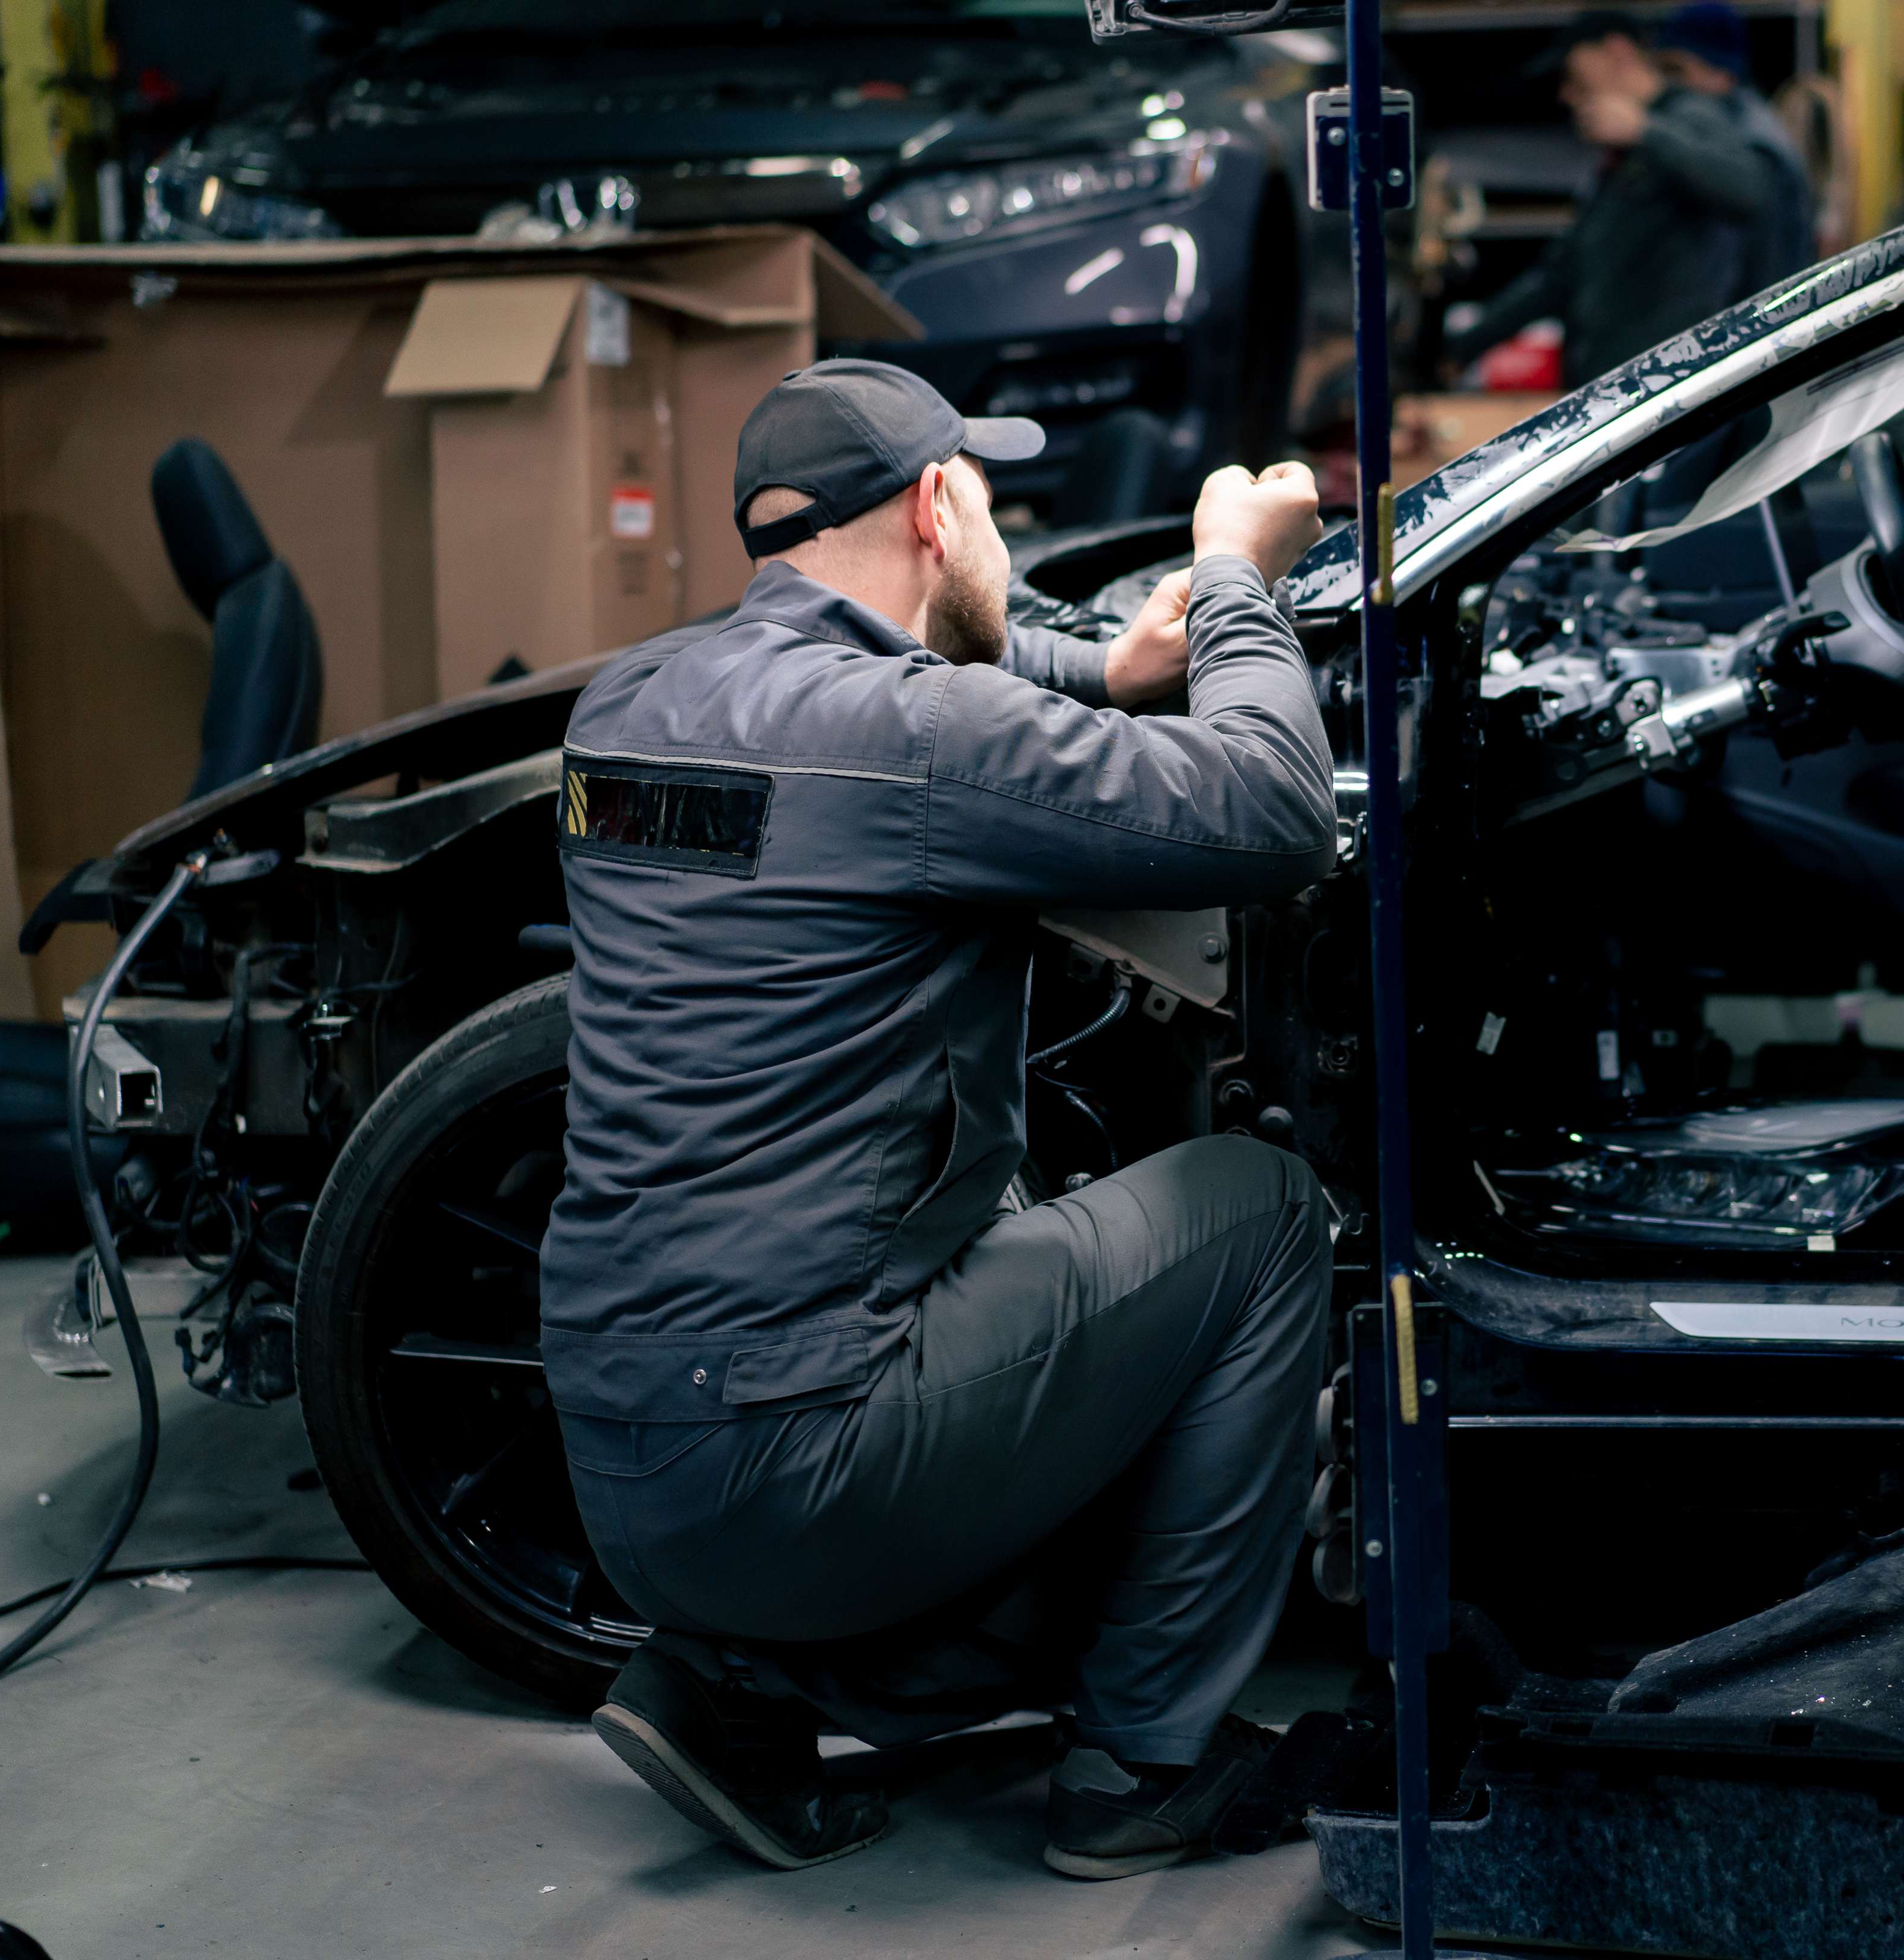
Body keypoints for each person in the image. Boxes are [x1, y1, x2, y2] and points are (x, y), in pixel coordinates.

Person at [538, 359, 1340, 1880]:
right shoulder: (911, 738)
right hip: (801, 1458)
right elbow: (1269, 807)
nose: (1001, 541)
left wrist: (1097, 678)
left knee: (1002, 1224)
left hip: (614, 1456)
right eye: (993, 504)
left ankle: (739, 1688)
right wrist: (1236, 579)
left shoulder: (624, 710)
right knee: (1259, 1209)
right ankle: (1139, 1770)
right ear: (935, 503)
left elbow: (900, 722)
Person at [1444, 9, 1776, 388]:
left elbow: (1749, 190)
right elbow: (1564, 273)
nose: (1567, 93)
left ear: (1616, 51)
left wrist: (1645, 133)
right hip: (1615, 390)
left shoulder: (1690, 116)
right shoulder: (1619, 158)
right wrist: (1468, 343)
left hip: (1670, 389)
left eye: (1572, 73)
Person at [1652, 0, 1817, 292]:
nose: (1668, 85)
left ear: (1721, 72)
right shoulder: (1724, 130)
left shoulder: (1756, 145)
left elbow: (1772, 271)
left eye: (1677, 71)